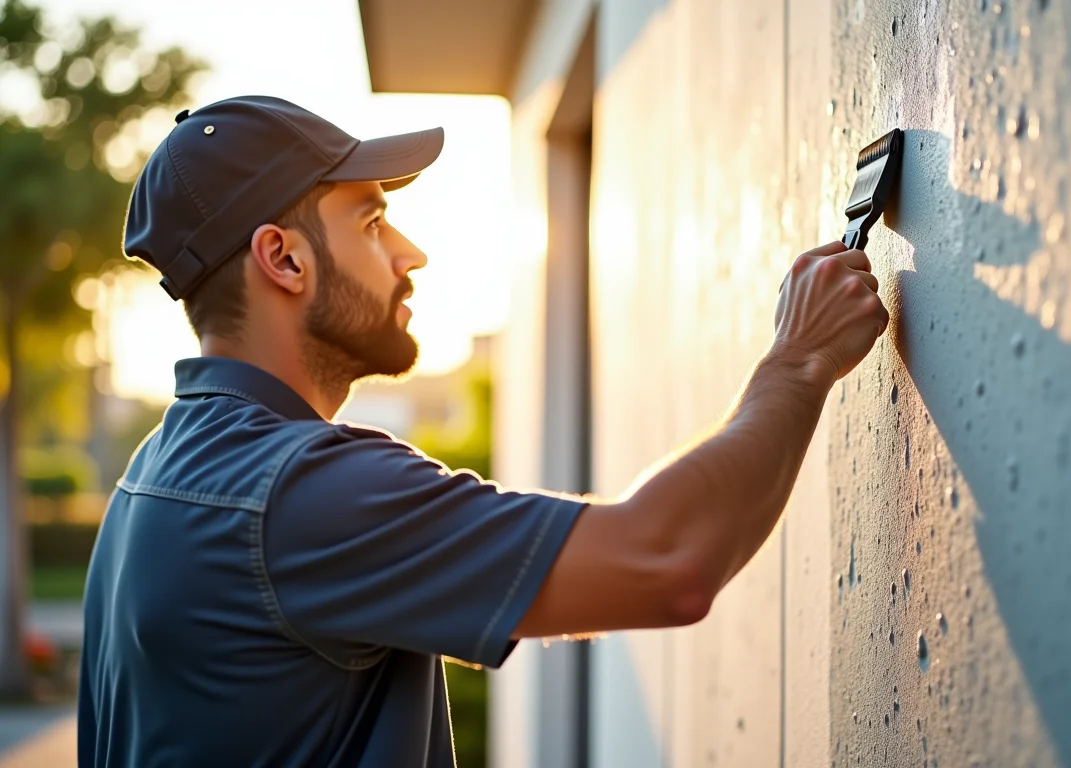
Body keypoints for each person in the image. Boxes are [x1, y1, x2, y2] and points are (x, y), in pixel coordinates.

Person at [78, 95, 889, 768]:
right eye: (370, 222)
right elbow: (666, 559)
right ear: (283, 259)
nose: (411, 252)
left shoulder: (154, 476)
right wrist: (798, 361)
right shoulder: (296, 492)